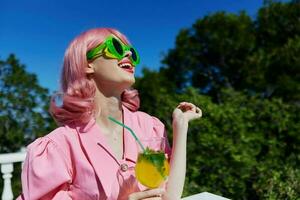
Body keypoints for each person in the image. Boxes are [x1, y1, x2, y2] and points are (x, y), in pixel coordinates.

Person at [17, 28, 202, 200]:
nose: (128, 53)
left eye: (132, 52)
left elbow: (170, 196)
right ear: (88, 64)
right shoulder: (60, 146)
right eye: (116, 47)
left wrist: (181, 125)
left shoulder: (149, 127)